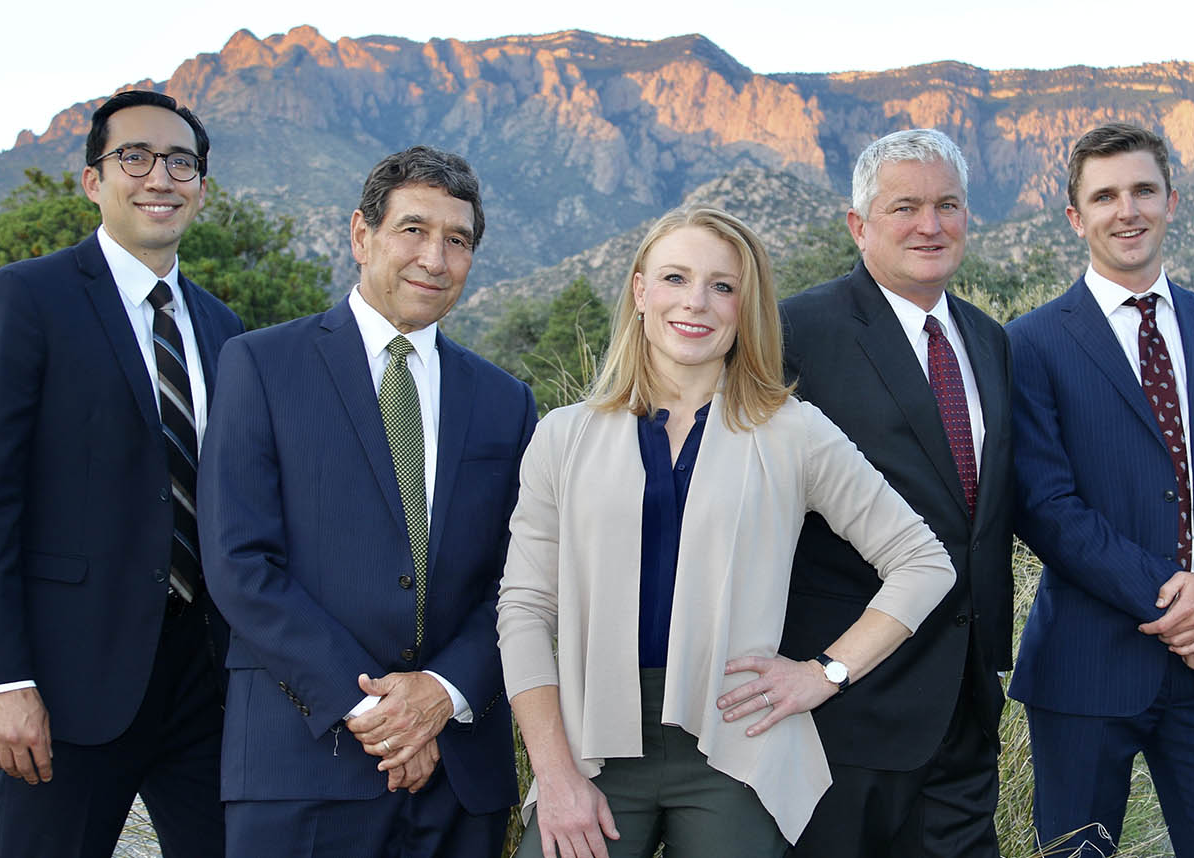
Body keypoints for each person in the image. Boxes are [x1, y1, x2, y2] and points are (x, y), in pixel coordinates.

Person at [498, 204, 956, 858]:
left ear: (747, 308)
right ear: (639, 292)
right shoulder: (563, 437)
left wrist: (825, 674)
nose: (697, 303)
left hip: (734, 748)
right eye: (676, 278)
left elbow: (923, 562)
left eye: (723, 286)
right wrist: (555, 771)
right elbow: (523, 610)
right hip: (588, 745)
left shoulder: (792, 432)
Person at [198, 145, 536, 857]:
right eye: (413, 229)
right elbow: (240, 561)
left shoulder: (506, 402)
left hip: (456, 773)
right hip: (301, 763)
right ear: (361, 234)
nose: (435, 259)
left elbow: (520, 578)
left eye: (457, 240)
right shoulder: (262, 365)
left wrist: (441, 693)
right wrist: (376, 713)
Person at [0, 89, 243, 857]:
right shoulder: (25, 299)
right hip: (64, 684)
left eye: (181, 163)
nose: (159, 177)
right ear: (92, 181)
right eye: (133, 157)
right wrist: (1, 680)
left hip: (204, 686)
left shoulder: (224, 330)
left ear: (201, 188)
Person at [1007, 122, 1194, 856]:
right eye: (1104, 196)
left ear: (1172, 200)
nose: (1126, 210)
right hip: (1085, 668)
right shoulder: (1031, 343)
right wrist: (1179, 601)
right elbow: (1045, 506)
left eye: (1142, 189)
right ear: (1075, 217)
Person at [777, 128, 1015, 857]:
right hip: (845, 704)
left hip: (967, 704)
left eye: (947, 205)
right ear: (858, 225)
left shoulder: (989, 339)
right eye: (905, 207)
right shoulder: (794, 332)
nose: (930, 225)